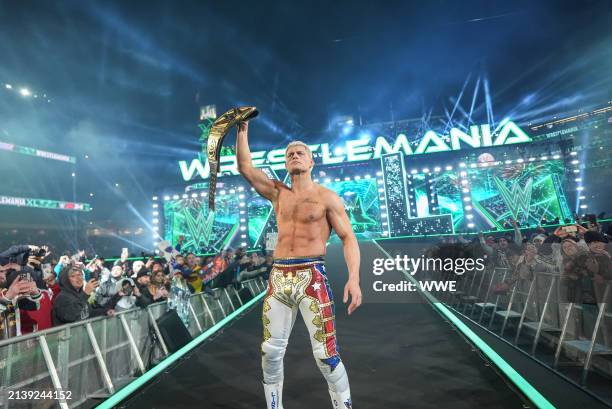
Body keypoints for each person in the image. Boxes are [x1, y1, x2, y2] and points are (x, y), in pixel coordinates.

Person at [237, 121, 361, 409]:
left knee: (326, 355)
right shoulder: (278, 193)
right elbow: (246, 167)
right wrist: (242, 129)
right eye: (290, 153)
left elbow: (348, 238)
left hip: (311, 276)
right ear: (285, 162)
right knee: (270, 352)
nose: (294, 155)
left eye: (300, 152)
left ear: (311, 161)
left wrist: (354, 278)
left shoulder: (327, 197)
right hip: (279, 276)